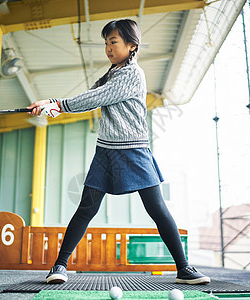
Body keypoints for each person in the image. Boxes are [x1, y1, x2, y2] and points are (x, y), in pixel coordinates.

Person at [27, 19, 210, 285]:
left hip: (135, 150)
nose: (108, 48)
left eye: (113, 42)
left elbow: (96, 98)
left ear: (131, 45)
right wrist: (49, 107)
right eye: (106, 43)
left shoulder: (132, 74)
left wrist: (57, 104)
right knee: (86, 208)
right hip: (106, 151)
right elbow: (86, 99)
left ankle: (184, 268)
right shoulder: (111, 74)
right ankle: (59, 266)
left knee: (157, 209)